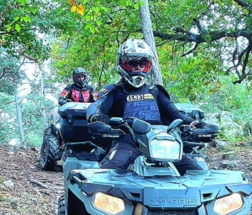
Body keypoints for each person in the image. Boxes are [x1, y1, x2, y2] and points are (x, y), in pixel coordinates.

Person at [86, 38, 203, 175]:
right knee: (106, 177)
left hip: (162, 144)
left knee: (200, 175)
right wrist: (97, 118)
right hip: (128, 142)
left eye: (143, 64)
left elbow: (175, 114)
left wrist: (196, 125)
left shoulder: (156, 91)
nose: (138, 68)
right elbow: (96, 106)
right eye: (132, 63)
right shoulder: (114, 90)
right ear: (122, 64)